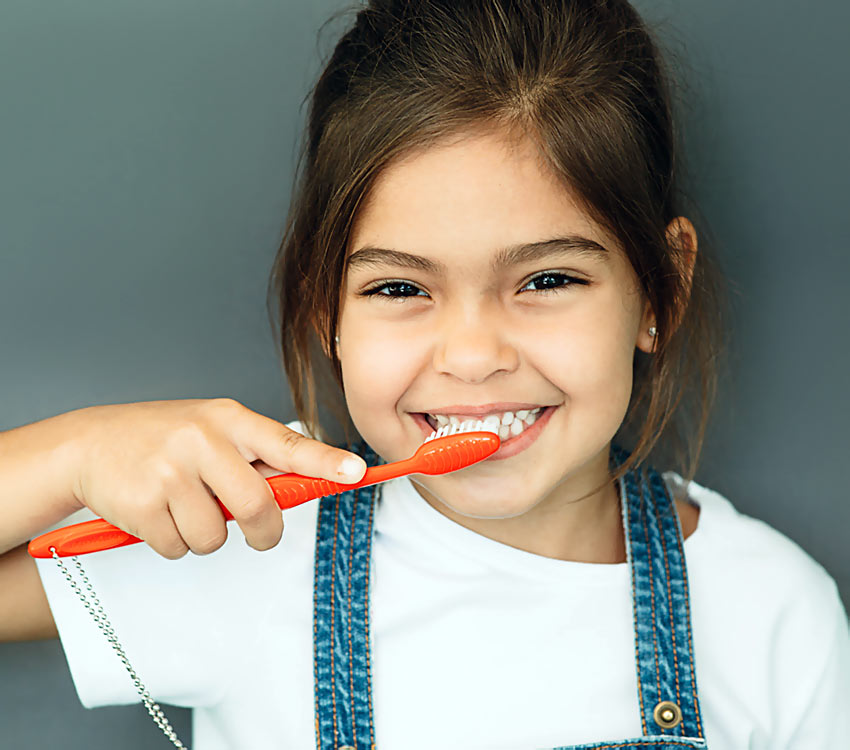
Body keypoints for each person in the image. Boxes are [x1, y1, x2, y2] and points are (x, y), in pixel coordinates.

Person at [1, 0, 847, 748]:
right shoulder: (251, 540)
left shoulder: (770, 613)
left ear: (661, 292)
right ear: (325, 310)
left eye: (548, 280)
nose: (472, 357)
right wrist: (74, 453)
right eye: (400, 288)